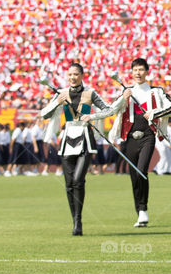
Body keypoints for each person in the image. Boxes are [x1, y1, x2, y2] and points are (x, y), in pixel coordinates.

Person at [41, 62, 127, 236]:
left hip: (85, 139)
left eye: (76, 74)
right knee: (68, 184)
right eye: (70, 74)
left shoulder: (90, 92)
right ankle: (74, 220)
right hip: (67, 140)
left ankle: (78, 220)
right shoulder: (61, 93)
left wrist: (92, 116)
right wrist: (56, 103)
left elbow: (109, 110)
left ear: (82, 75)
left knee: (78, 180)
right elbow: (44, 114)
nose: (73, 77)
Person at [109, 57, 171, 228]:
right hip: (130, 137)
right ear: (131, 73)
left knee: (141, 171)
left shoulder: (156, 91)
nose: (138, 73)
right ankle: (139, 211)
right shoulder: (127, 91)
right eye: (135, 70)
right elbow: (113, 109)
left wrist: (155, 113)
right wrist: (123, 98)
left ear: (147, 72)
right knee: (133, 176)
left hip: (148, 136)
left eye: (141, 70)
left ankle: (144, 208)